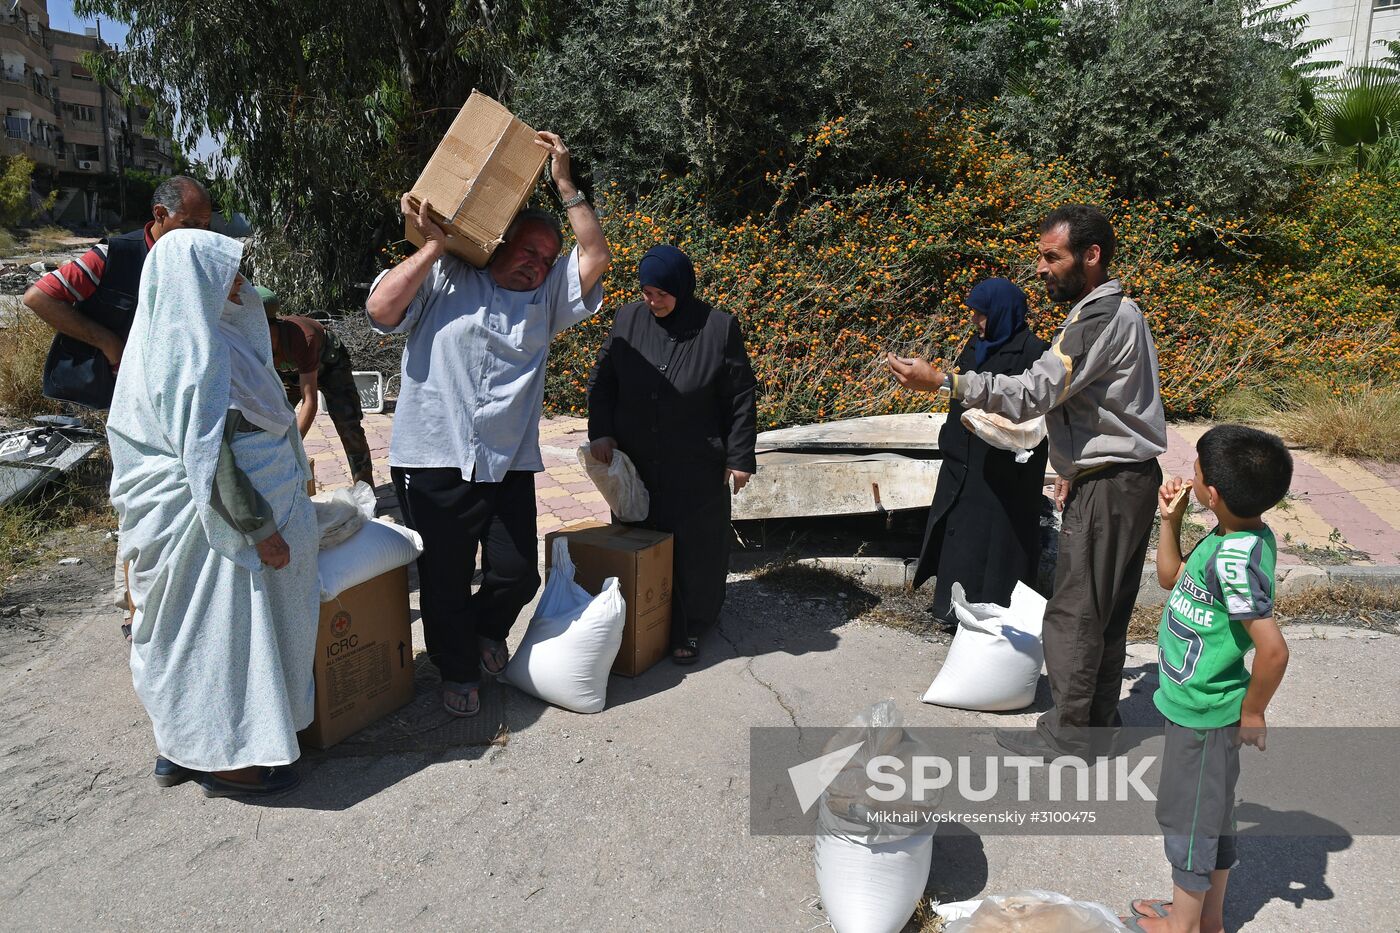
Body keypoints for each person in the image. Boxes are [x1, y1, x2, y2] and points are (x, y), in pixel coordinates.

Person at [887, 204, 1168, 757]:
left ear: (1091, 256)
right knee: (1105, 609)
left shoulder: (1097, 318)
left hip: (1112, 487)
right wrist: (1071, 467)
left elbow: (1035, 393)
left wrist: (945, 380)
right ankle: (1096, 725)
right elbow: (1090, 407)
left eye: (1051, 257)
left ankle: (1067, 734)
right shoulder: (1116, 310)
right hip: (1119, 479)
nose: (1039, 268)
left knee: (1076, 612)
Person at [365, 132, 610, 718]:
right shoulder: (447, 278)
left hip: (507, 462)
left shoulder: (545, 301)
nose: (537, 263)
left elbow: (595, 259)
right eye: (527, 249)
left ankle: (480, 630)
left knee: (518, 572)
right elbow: (380, 310)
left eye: (547, 259)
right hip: (433, 459)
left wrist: (566, 184)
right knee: (445, 578)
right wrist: (431, 247)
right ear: (498, 244)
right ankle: (456, 667)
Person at [107, 229, 319, 797]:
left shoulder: (202, 336)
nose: (241, 283)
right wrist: (261, 528)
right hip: (210, 528)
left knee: (191, 634)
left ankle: (179, 746)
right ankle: (225, 757)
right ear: (189, 280)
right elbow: (209, 454)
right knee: (214, 636)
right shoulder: (188, 351)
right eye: (227, 271)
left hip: (212, 527)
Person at [23, 175, 213, 642]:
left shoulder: (192, 257)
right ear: (159, 217)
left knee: (173, 493)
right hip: (122, 401)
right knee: (136, 495)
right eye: (188, 224)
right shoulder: (114, 256)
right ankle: (133, 605)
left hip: (170, 398)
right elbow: (39, 296)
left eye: (206, 226)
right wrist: (108, 340)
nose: (198, 236)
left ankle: (175, 593)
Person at [1126, 424, 1292, 933]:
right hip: (1194, 709)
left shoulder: (1235, 562)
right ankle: (1206, 919)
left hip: (1204, 715)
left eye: (1195, 471)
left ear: (1212, 493)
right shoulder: (1231, 536)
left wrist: (1253, 711)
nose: (1189, 476)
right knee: (1212, 820)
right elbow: (1170, 579)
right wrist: (1169, 522)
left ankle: (1181, 927)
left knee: (1188, 827)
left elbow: (1272, 649)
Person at [587, 245, 758, 664]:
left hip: (694, 463)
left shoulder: (717, 328)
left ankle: (691, 625)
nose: (651, 301)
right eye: (646, 292)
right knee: (639, 536)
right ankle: (640, 620)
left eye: (660, 293)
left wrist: (738, 458)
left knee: (695, 548)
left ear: (682, 286)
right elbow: (603, 381)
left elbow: (740, 397)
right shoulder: (627, 319)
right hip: (638, 461)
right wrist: (602, 432)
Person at [911, 278, 1049, 626]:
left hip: (1003, 472)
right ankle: (950, 609)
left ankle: (993, 620)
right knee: (960, 540)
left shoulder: (1036, 354)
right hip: (963, 463)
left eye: (983, 314)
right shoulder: (977, 345)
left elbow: (1036, 413)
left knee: (996, 547)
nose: (977, 322)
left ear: (1003, 312)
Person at [260, 287, 375, 486]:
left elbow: (309, 402)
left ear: (271, 326)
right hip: (291, 375)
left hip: (331, 367)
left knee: (348, 424)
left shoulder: (302, 338)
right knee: (274, 421)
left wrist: (292, 446)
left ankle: (365, 489)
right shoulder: (251, 345)